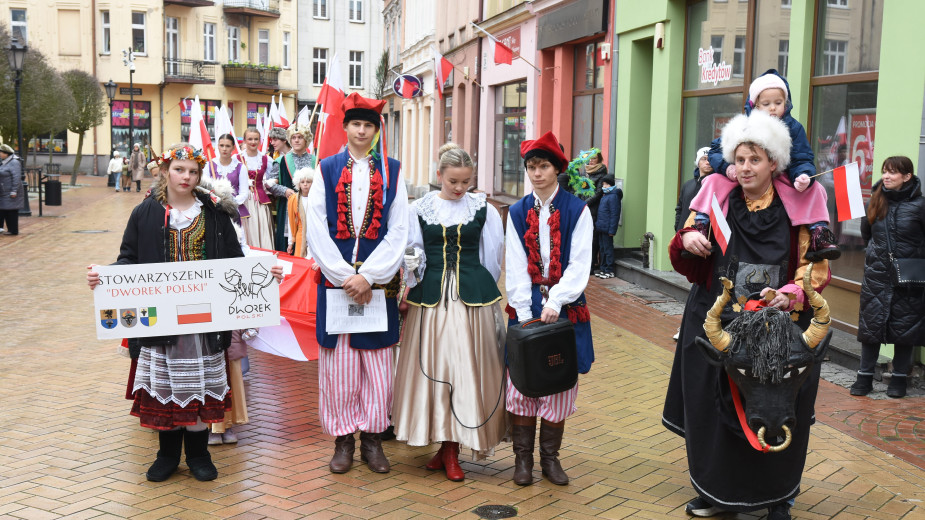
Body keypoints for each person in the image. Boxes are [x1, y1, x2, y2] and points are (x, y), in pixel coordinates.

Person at [664, 110, 831, 520]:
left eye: (755, 159)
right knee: (712, 408)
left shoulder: (800, 203)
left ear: (774, 162)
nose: (745, 168)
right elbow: (686, 244)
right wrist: (688, 239)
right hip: (719, 322)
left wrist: (792, 294)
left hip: (780, 329)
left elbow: (814, 264)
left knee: (777, 408)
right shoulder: (715, 196)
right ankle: (717, 493)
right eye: (739, 159)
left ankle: (778, 498)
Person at [85, 143, 283, 482]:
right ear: (166, 171)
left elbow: (234, 261)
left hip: (204, 322)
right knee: (167, 390)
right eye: (179, 169)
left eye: (193, 171)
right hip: (161, 322)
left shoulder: (215, 213)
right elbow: (129, 258)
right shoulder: (145, 212)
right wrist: (104, 277)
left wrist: (265, 274)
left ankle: (198, 454)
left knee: (200, 387)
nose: (186, 177)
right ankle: (166, 455)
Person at [305, 92, 408, 475]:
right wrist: (343, 275)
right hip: (337, 284)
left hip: (377, 286)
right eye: (356, 124)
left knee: (378, 367)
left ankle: (373, 440)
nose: (362, 131)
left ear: (376, 130)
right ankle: (343, 440)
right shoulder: (327, 168)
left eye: (368, 125)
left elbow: (399, 228)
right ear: (345, 127)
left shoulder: (393, 171)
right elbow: (316, 225)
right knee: (340, 367)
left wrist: (370, 276)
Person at [392, 143, 508, 482]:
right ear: (439, 175)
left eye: (466, 182)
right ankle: (445, 446)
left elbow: (492, 256)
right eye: (453, 181)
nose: (459, 188)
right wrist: (412, 272)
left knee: (465, 369)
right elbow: (412, 250)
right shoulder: (419, 209)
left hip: (472, 301)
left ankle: (452, 449)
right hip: (431, 299)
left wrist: (478, 286)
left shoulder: (483, 208)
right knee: (435, 369)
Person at [505, 131, 594, 486]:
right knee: (522, 384)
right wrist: (524, 311)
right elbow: (514, 264)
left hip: (565, 308)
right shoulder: (517, 212)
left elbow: (580, 262)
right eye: (531, 167)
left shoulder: (577, 210)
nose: (537, 173)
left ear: (557, 168)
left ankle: (550, 459)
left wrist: (557, 299)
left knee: (558, 383)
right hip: (526, 306)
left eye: (543, 166)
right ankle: (522, 460)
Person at [688, 69, 839, 263]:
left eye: (778, 103)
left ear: (786, 103)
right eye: (766, 104)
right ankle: (701, 223)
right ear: (755, 105)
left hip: (783, 177)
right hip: (740, 177)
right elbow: (715, 150)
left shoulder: (793, 127)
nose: (773, 108)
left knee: (815, 188)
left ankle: (819, 231)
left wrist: (802, 175)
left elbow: (802, 157)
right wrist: (727, 167)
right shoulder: (744, 124)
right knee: (713, 181)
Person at [850, 156, 925, 399]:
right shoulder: (875, 200)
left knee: (905, 329)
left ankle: (899, 379)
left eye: (892, 172)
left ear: (907, 176)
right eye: (884, 171)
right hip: (877, 275)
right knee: (871, 327)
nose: (886, 176)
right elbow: (867, 235)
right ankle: (864, 377)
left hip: (908, 278)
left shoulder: (920, 206)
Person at [672, 147, 713, 340]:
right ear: (697, 162)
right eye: (704, 158)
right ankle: (687, 326)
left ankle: (691, 327)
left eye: (710, 158)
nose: (707, 161)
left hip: (703, 243)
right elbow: (680, 208)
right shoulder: (688, 185)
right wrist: (678, 229)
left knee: (697, 287)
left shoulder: (714, 184)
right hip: (685, 241)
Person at [267, 123, 314, 252]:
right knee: (287, 245)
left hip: (310, 207)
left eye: (300, 137)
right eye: (294, 137)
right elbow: (270, 185)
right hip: (288, 207)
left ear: (306, 139)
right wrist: (285, 190)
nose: (297, 140)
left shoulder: (315, 160)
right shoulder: (281, 161)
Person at [239, 127, 274, 249]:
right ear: (244, 140)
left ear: (260, 140)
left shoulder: (266, 159)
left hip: (260, 201)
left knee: (262, 229)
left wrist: (268, 183)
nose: (253, 142)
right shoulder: (237, 159)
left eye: (256, 139)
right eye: (250, 139)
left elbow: (272, 177)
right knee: (246, 230)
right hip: (243, 201)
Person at [207, 134, 250, 225]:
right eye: (221, 145)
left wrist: (229, 203)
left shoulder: (240, 167)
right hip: (213, 210)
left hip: (233, 210)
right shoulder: (209, 165)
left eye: (227, 146)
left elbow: (244, 193)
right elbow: (205, 188)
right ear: (217, 146)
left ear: (233, 148)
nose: (224, 149)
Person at [593, 175, 622, 279]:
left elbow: (615, 214)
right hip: (601, 228)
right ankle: (603, 269)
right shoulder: (605, 196)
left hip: (607, 229)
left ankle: (609, 270)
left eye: (607, 184)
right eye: (603, 184)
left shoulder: (613, 197)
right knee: (602, 249)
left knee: (608, 250)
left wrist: (612, 230)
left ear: (611, 185)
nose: (604, 186)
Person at [286, 167, 314, 258]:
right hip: (300, 235)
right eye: (302, 182)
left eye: (308, 182)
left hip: (314, 235)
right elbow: (291, 222)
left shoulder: (317, 198)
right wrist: (290, 242)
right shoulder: (293, 199)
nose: (305, 184)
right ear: (298, 184)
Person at [0, 144, 23, 236]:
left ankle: (13, 230)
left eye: (1, 152)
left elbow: (16, 177)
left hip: (10, 190)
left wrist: (14, 190)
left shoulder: (14, 163)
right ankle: (9, 229)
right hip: (4, 190)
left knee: (11, 210)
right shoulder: (4, 162)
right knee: (5, 209)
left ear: (6, 154)